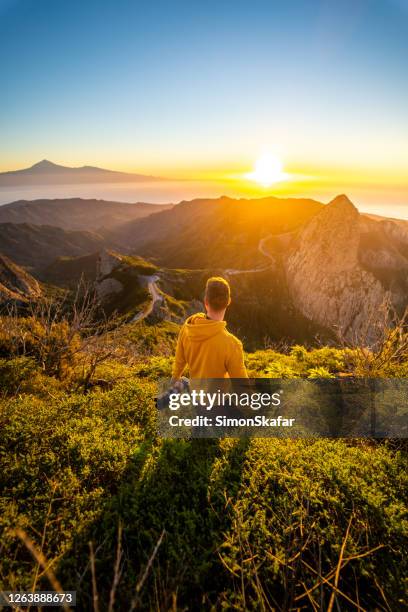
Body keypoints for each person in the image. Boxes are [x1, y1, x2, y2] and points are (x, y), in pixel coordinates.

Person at [171, 276, 248, 383]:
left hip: (196, 394)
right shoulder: (232, 344)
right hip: (218, 399)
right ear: (229, 301)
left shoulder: (188, 327)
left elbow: (179, 361)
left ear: (206, 302)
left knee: (184, 381)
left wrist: (174, 381)